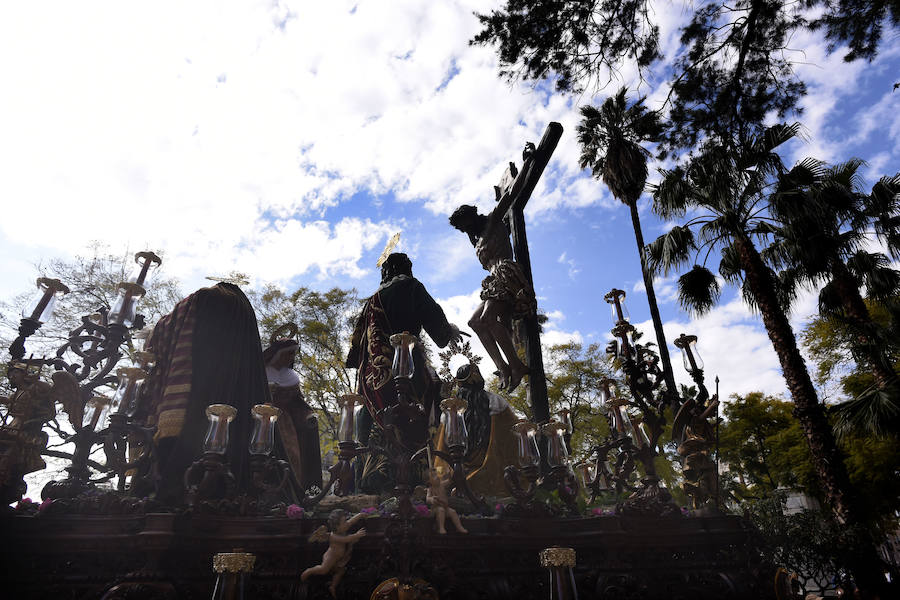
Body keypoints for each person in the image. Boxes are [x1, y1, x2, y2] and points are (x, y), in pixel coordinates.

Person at [346, 252, 461, 493]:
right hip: (408, 368)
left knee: (373, 420)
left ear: (385, 273)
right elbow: (437, 326)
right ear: (407, 269)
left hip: (371, 378)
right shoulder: (412, 287)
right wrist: (449, 332)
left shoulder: (372, 300)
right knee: (419, 411)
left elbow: (357, 348)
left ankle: (368, 481)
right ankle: (417, 477)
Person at [449, 203, 536, 392]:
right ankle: (503, 367)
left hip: (506, 274)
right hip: (493, 280)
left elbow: (511, 194)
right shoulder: (476, 239)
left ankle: (515, 364)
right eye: (462, 228)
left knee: (486, 319)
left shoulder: (493, 220)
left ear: (473, 216)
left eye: (466, 223)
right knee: (474, 322)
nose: (466, 229)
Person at [262, 335, 323, 493]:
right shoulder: (261, 373)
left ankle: (293, 492)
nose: (291, 358)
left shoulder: (291, 378)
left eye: (293, 354)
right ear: (278, 354)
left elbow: (298, 403)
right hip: (263, 420)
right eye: (288, 354)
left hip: (286, 423)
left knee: (293, 456)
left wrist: (309, 415)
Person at [301, 509, 367, 597]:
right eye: (344, 522)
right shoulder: (334, 536)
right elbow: (346, 539)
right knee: (324, 570)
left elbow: (351, 521)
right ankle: (309, 571)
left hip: (339, 558)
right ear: (336, 526)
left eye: (345, 520)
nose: (347, 523)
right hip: (331, 557)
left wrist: (360, 515)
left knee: (340, 571)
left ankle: (332, 586)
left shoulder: (342, 528)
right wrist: (356, 535)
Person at [426, 467, 468, 535]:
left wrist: (448, 473)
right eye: (433, 476)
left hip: (445, 507)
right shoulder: (430, 489)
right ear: (429, 481)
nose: (436, 477)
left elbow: (449, 480)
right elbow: (427, 498)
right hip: (436, 508)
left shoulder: (442, 485)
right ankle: (441, 528)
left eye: (436, 475)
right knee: (441, 510)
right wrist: (432, 499)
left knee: (453, 512)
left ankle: (459, 527)